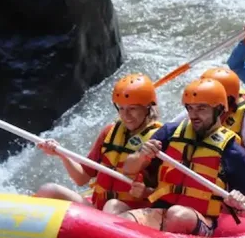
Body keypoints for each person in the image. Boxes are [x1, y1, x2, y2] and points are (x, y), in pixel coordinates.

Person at [119, 78, 245, 236]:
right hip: (161, 211)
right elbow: (128, 169)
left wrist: (239, 201)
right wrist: (142, 155)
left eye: (201, 108)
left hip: (201, 219)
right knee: (125, 221)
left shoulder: (234, 153)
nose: (194, 115)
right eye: (190, 108)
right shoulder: (169, 132)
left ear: (219, 109)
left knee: (178, 215)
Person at [34, 73, 162, 214]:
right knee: (48, 190)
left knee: (112, 206)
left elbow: (169, 194)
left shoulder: (159, 139)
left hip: (132, 214)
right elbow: (82, 178)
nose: (126, 116)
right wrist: (61, 154)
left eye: (132, 108)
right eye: (121, 108)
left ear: (148, 107)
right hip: (99, 210)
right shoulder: (109, 132)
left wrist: (145, 192)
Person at [196, 67, 245, 181]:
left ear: (227, 100)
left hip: (234, 181)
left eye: (209, 98)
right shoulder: (196, 108)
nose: (200, 106)